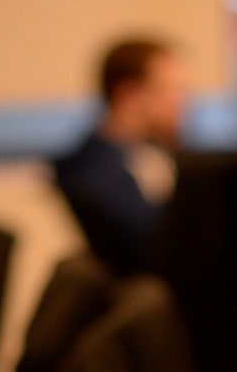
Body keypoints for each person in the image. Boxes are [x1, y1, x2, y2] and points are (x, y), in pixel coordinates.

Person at [52, 36, 189, 275]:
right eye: (169, 90)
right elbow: (151, 246)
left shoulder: (162, 150)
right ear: (129, 95)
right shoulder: (89, 171)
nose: (181, 103)